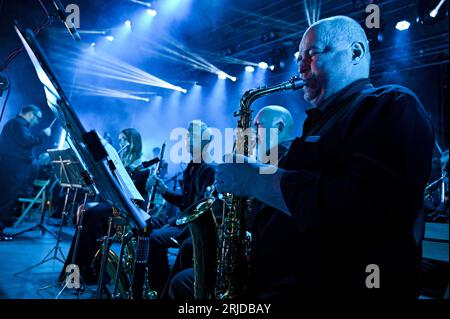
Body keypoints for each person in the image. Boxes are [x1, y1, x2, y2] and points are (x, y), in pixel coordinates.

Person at [215, 16, 434, 299]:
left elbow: (367, 206)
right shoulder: (319, 122)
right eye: (298, 58)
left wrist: (258, 181)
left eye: (313, 54)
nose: (301, 66)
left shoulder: (390, 104)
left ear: (355, 52)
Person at [167, 105, 295, 299]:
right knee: (187, 250)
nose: (251, 132)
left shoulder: (281, 161)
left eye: (258, 125)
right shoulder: (268, 161)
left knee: (182, 278)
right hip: (247, 246)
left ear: (278, 127)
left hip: (258, 260)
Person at [145, 120, 215, 297]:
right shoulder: (192, 165)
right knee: (146, 226)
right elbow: (186, 201)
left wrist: (173, 223)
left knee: (154, 239)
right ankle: (156, 283)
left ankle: (160, 288)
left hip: (188, 229)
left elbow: (198, 209)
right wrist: (164, 191)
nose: (187, 140)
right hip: (180, 223)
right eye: (186, 136)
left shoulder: (208, 169)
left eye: (192, 136)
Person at [0, 105, 51, 241]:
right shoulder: (18, 124)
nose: (37, 122)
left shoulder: (14, 125)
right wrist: (43, 135)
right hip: (12, 170)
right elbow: (26, 142)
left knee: (5, 199)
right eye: (37, 118)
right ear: (30, 114)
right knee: (6, 200)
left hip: (10, 169)